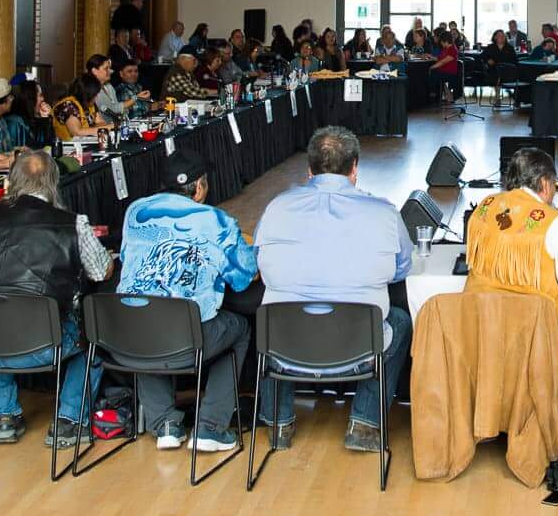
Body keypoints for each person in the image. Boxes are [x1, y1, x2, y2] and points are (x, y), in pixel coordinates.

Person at [254, 126, 413, 452]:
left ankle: (279, 422)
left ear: (309, 170)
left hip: (287, 346)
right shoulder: (384, 212)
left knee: (269, 320)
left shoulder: (276, 208)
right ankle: (365, 423)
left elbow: (258, 261)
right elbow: (401, 270)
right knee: (398, 321)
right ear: (355, 168)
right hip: (358, 345)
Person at [0, 149, 111, 448]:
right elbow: (102, 271)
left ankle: (4, 416)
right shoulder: (71, 223)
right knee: (95, 334)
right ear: (54, 182)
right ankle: (69, 418)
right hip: (40, 345)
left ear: (12, 180)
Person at [115, 151, 257, 452]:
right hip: (187, 337)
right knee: (239, 328)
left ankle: (165, 423)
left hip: (126, 333)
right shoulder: (216, 220)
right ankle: (210, 427)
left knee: (143, 320)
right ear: (200, 187)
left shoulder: (135, 211)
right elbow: (244, 275)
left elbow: (128, 257)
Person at [464, 148, 558, 369]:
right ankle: (551, 399)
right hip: (533, 334)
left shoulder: (485, 205)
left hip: (481, 325)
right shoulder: (554, 222)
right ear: (545, 183)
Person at [0, 79, 52, 151]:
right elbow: (34, 149)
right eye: (40, 95)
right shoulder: (14, 123)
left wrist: (45, 119)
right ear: (30, 99)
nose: (43, 99)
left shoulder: (32, 119)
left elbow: (48, 145)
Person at [52, 74, 109, 139]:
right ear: (87, 94)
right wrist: (107, 128)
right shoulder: (67, 105)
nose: (96, 97)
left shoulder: (89, 103)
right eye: (95, 94)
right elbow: (77, 132)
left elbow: (100, 122)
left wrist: (101, 128)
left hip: (87, 145)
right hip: (67, 147)